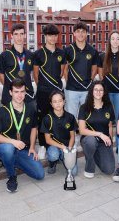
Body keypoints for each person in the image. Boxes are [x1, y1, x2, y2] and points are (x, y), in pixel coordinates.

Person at [0, 78, 44, 193]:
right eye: (16, 92)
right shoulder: (2, 111)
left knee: (40, 174)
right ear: (10, 92)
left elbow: (34, 128)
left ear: (25, 92)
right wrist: (13, 142)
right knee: (8, 149)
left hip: (23, 149)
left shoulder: (30, 109)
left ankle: (11, 161)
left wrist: (32, 147)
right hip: (5, 147)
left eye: (22, 91)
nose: (19, 95)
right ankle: (11, 177)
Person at [33, 24, 66, 153]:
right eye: (49, 35)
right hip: (43, 93)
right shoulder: (38, 54)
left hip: (58, 92)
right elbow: (35, 75)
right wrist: (43, 86)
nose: (52, 38)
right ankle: (43, 145)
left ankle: (58, 144)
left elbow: (62, 73)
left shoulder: (61, 53)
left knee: (58, 118)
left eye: (54, 35)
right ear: (45, 36)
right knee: (43, 119)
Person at [78, 81, 115, 178]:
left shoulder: (109, 106)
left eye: (101, 90)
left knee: (109, 170)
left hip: (103, 142)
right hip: (88, 140)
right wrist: (100, 134)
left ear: (104, 92)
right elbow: (82, 130)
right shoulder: (84, 107)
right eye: (96, 90)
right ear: (91, 91)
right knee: (91, 141)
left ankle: (94, 154)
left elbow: (110, 125)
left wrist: (109, 140)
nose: (98, 92)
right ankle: (89, 166)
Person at [64, 21, 98, 119]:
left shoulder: (93, 51)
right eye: (78, 31)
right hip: (71, 90)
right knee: (71, 117)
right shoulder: (68, 50)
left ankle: (85, 134)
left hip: (87, 90)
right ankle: (72, 135)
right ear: (74, 33)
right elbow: (65, 70)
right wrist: (69, 82)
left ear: (86, 33)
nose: (80, 34)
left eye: (83, 31)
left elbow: (94, 69)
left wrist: (89, 81)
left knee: (86, 117)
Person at [0, 23, 35, 106]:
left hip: (28, 97)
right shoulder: (5, 55)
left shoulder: (30, 55)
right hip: (10, 98)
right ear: (11, 36)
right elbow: (0, 76)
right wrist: (14, 89)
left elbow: (31, 74)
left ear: (25, 35)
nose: (19, 37)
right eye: (16, 34)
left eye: (21, 34)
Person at [39, 90, 78, 175]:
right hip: (54, 146)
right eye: (55, 102)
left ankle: (63, 157)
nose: (58, 104)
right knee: (53, 155)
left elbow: (72, 136)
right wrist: (62, 147)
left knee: (74, 173)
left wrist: (69, 148)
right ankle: (52, 163)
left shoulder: (70, 117)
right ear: (51, 104)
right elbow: (48, 140)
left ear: (64, 102)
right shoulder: (47, 118)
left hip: (67, 146)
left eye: (60, 101)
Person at [98, 30, 119, 124]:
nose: (115, 41)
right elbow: (100, 75)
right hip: (107, 92)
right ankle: (107, 138)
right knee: (107, 120)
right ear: (109, 41)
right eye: (113, 38)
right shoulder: (102, 56)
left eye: (118, 39)